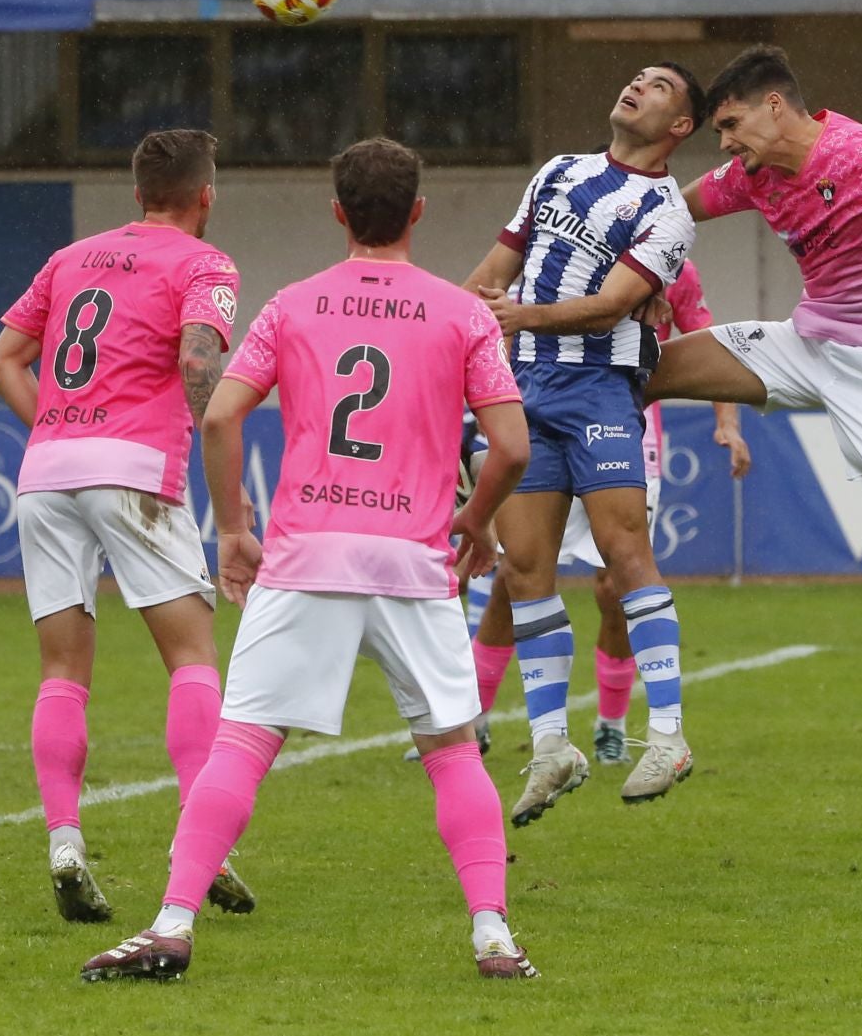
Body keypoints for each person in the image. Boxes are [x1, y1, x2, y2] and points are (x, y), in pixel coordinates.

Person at [82, 138, 536, 983]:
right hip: (411, 559)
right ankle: (493, 936)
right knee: (452, 751)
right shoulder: (463, 312)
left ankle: (172, 924)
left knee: (244, 744)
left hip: (305, 555)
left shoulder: (292, 305)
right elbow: (511, 444)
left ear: (337, 212)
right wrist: (475, 520)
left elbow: (221, 415)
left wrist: (232, 528)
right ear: (418, 212)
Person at [648, 43, 862, 820]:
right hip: (806, 345)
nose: (724, 144)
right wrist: (647, 282)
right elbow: (669, 212)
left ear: (775, 106)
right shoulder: (751, 175)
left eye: (731, 124)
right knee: (643, 370)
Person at [0, 129, 254, 925]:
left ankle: (65, 843)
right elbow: (199, 363)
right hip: (134, 472)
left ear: (137, 194)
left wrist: (59, 433)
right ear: (206, 195)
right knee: (191, 656)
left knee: (63, 670)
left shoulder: (71, 259)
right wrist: (229, 503)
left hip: (47, 472)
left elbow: (3, 360)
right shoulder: (206, 264)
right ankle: (200, 846)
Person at [459, 63, 707, 826]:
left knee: (623, 553)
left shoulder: (667, 212)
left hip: (599, 388)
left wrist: (520, 316)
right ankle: (550, 745)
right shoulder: (558, 171)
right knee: (524, 566)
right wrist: (452, 326)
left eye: (658, 85)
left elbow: (611, 307)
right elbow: (491, 273)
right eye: (635, 77)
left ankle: (667, 734)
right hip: (524, 390)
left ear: (680, 126)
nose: (636, 85)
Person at [466, 258, 750, 768]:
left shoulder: (669, 263)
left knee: (616, 586)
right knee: (514, 578)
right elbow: (499, 326)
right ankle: (474, 718)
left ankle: (612, 726)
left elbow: (704, 337)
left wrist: (727, 422)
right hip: (545, 422)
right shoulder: (552, 250)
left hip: (623, 429)